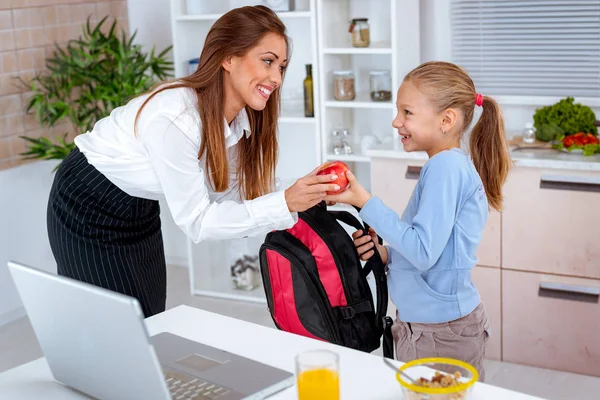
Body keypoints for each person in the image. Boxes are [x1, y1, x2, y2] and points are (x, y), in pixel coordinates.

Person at [46, 6, 340, 318]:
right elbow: (198, 222)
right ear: (228, 58)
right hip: (85, 202)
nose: (276, 78)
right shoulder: (175, 118)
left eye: (281, 67)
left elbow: (232, 195)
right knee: (113, 321)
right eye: (267, 61)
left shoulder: (237, 120)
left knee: (150, 314)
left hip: (138, 204)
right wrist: (285, 202)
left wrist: (303, 195)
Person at [325, 61, 511, 381]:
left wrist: (363, 201)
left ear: (446, 120)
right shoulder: (445, 166)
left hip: (440, 334)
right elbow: (431, 253)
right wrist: (384, 254)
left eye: (407, 112)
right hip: (431, 327)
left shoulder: (445, 168)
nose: (397, 121)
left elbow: (423, 249)